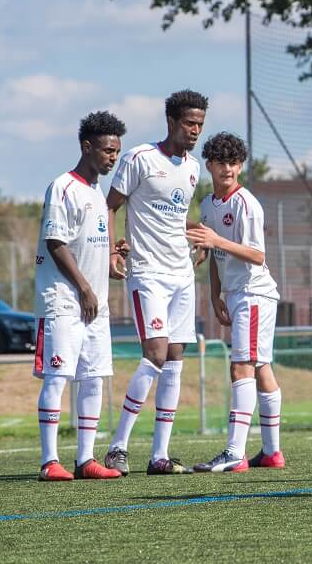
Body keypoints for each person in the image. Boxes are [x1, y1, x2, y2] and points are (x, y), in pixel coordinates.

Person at [103, 90, 206, 476]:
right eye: (189, 123)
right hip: (148, 273)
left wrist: (198, 239)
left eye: (199, 124)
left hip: (183, 275)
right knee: (156, 354)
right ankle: (117, 447)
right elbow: (109, 206)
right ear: (172, 122)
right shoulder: (139, 159)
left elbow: (176, 220)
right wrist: (113, 249)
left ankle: (159, 454)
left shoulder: (193, 168)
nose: (195, 131)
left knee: (176, 361)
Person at [33, 111, 127, 481]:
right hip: (64, 301)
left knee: (93, 377)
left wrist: (113, 259)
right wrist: (85, 288)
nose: (112, 157)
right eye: (107, 150)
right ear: (87, 147)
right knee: (57, 377)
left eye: (116, 151)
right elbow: (56, 243)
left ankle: (86, 459)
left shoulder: (96, 192)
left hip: (94, 304)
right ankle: (49, 461)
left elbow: (87, 248)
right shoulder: (63, 187)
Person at [187, 132, 286, 472]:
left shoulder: (246, 204)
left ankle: (234, 452)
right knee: (260, 368)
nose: (227, 169)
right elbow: (214, 255)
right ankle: (272, 453)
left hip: (255, 294)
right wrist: (215, 294)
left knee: (240, 365)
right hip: (237, 294)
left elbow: (257, 255)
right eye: (220, 163)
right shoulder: (208, 205)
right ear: (209, 165)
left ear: (240, 166)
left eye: (233, 163)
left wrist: (215, 240)